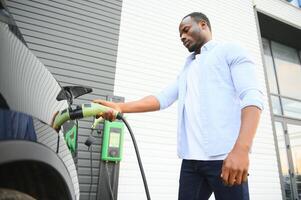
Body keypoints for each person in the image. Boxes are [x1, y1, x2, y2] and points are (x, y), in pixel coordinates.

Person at [94, 12, 263, 200]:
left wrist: (241, 150)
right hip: (191, 163)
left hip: (225, 158)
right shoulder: (187, 69)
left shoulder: (229, 50)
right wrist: (120, 107)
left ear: (203, 25)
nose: (182, 37)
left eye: (186, 30)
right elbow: (162, 98)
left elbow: (252, 97)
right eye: (180, 34)